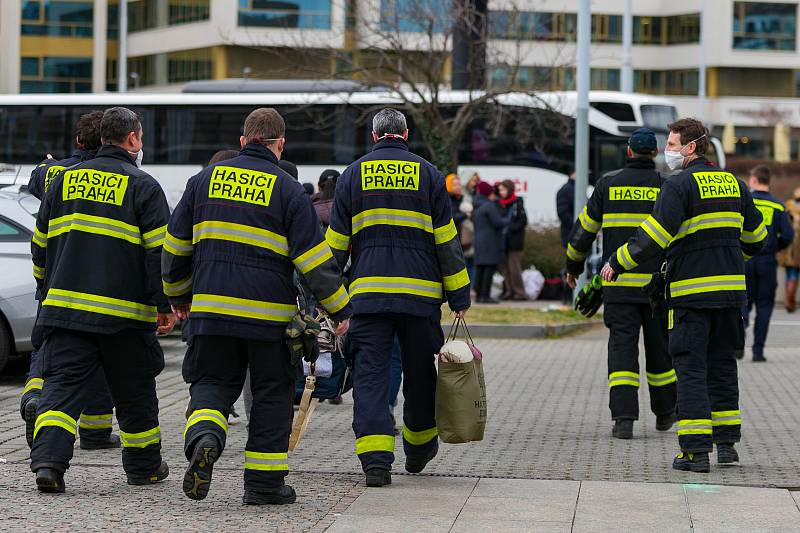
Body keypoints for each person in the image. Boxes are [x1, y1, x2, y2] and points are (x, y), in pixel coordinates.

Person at [162, 108, 352, 505]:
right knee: (270, 394)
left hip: (211, 313)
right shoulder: (287, 190)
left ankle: (206, 437)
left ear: (243, 140)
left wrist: (178, 296)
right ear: (280, 145)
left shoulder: (202, 182)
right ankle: (264, 486)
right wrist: (341, 311)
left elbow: (175, 247)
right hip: (268, 321)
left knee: (211, 384)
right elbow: (314, 260)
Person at [601, 117, 766, 473]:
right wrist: (730, 258)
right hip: (730, 296)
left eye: (673, 146)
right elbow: (756, 239)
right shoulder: (735, 184)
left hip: (691, 297)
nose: (668, 153)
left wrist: (617, 261)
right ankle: (726, 445)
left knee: (690, 370)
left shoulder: (678, 186)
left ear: (691, 147)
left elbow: (653, 237)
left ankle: (694, 452)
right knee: (722, 367)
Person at [30, 106, 175, 493]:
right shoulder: (143, 186)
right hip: (124, 318)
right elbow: (157, 255)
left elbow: (40, 247)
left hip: (64, 313)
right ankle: (144, 468)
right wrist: (165, 305)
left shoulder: (62, 181)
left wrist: (47, 295)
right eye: (140, 137)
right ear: (131, 139)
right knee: (135, 394)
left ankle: (48, 463)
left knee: (59, 391)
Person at [326, 108, 470, 487]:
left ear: (374, 136)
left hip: (368, 298)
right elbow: (447, 241)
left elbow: (335, 246)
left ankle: (376, 461)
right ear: (406, 134)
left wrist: (326, 297)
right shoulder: (430, 175)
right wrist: (459, 295)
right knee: (421, 375)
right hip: (420, 299)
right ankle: (419, 449)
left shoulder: (352, 175)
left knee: (370, 375)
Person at [566, 128, 676, 439]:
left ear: (628, 152)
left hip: (617, 286)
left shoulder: (607, 184)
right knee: (660, 352)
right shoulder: (665, 186)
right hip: (656, 290)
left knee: (622, 351)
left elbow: (584, 230)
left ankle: (624, 419)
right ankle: (666, 412)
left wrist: (572, 265)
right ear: (654, 153)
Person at [21, 111, 120, 452]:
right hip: (100, 286)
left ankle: (34, 398)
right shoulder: (119, 177)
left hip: (54, 285)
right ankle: (95, 432)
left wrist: (41, 285)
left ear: (78, 141)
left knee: (46, 353)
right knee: (99, 361)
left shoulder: (53, 174)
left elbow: (36, 182)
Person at [743, 165, 794, 362]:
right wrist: (776, 247)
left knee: (743, 303)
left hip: (745, 259)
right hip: (767, 262)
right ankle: (757, 352)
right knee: (764, 307)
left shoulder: (746, 202)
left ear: (754, 181)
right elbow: (788, 235)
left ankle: (739, 339)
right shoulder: (779, 206)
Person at [472, 181, 507, 304]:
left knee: (481, 269)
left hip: (479, 240)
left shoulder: (476, 205)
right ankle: (485, 296)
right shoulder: (489, 205)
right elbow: (498, 223)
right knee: (489, 268)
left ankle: (479, 296)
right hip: (490, 241)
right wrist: (506, 219)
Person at [497, 180, 528, 301]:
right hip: (502, 242)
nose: (501, 192)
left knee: (514, 268)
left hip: (514, 242)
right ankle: (509, 291)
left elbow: (523, 221)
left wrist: (510, 228)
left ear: (509, 189)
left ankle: (519, 293)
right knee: (505, 268)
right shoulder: (500, 204)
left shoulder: (517, 203)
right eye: (500, 190)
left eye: (503, 189)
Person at [778, 187, 800, 312]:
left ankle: (788, 300)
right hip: (797, 248)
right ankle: (789, 301)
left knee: (790, 274)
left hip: (788, 248)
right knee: (794, 274)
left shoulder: (788, 207)